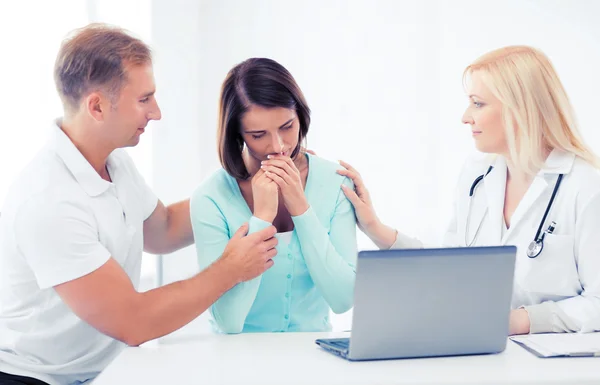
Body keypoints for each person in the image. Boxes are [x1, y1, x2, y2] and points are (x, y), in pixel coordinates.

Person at [0, 24, 277, 385]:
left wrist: (251, 184)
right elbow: (135, 322)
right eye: (144, 99)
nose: (157, 112)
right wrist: (231, 269)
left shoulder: (113, 162)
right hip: (37, 378)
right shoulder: (49, 202)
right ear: (97, 106)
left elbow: (163, 231)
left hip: (105, 369)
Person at [336, 46, 600, 335]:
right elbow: (450, 268)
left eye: (477, 103)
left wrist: (518, 321)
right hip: (480, 353)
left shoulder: (585, 186)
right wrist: (374, 227)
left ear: (519, 109)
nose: (465, 117)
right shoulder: (477, 174)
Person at [190, 58, 357, 334]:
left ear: (300, 115)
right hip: (236, 363)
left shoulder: (336, 182)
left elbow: (343, 299)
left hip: (313, 360)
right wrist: (261, 220)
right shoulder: (210, 198)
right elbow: (228, 322)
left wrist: (301, 210)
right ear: (237, 134)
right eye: (258, 135)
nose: (278, 146)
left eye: (287, 127)